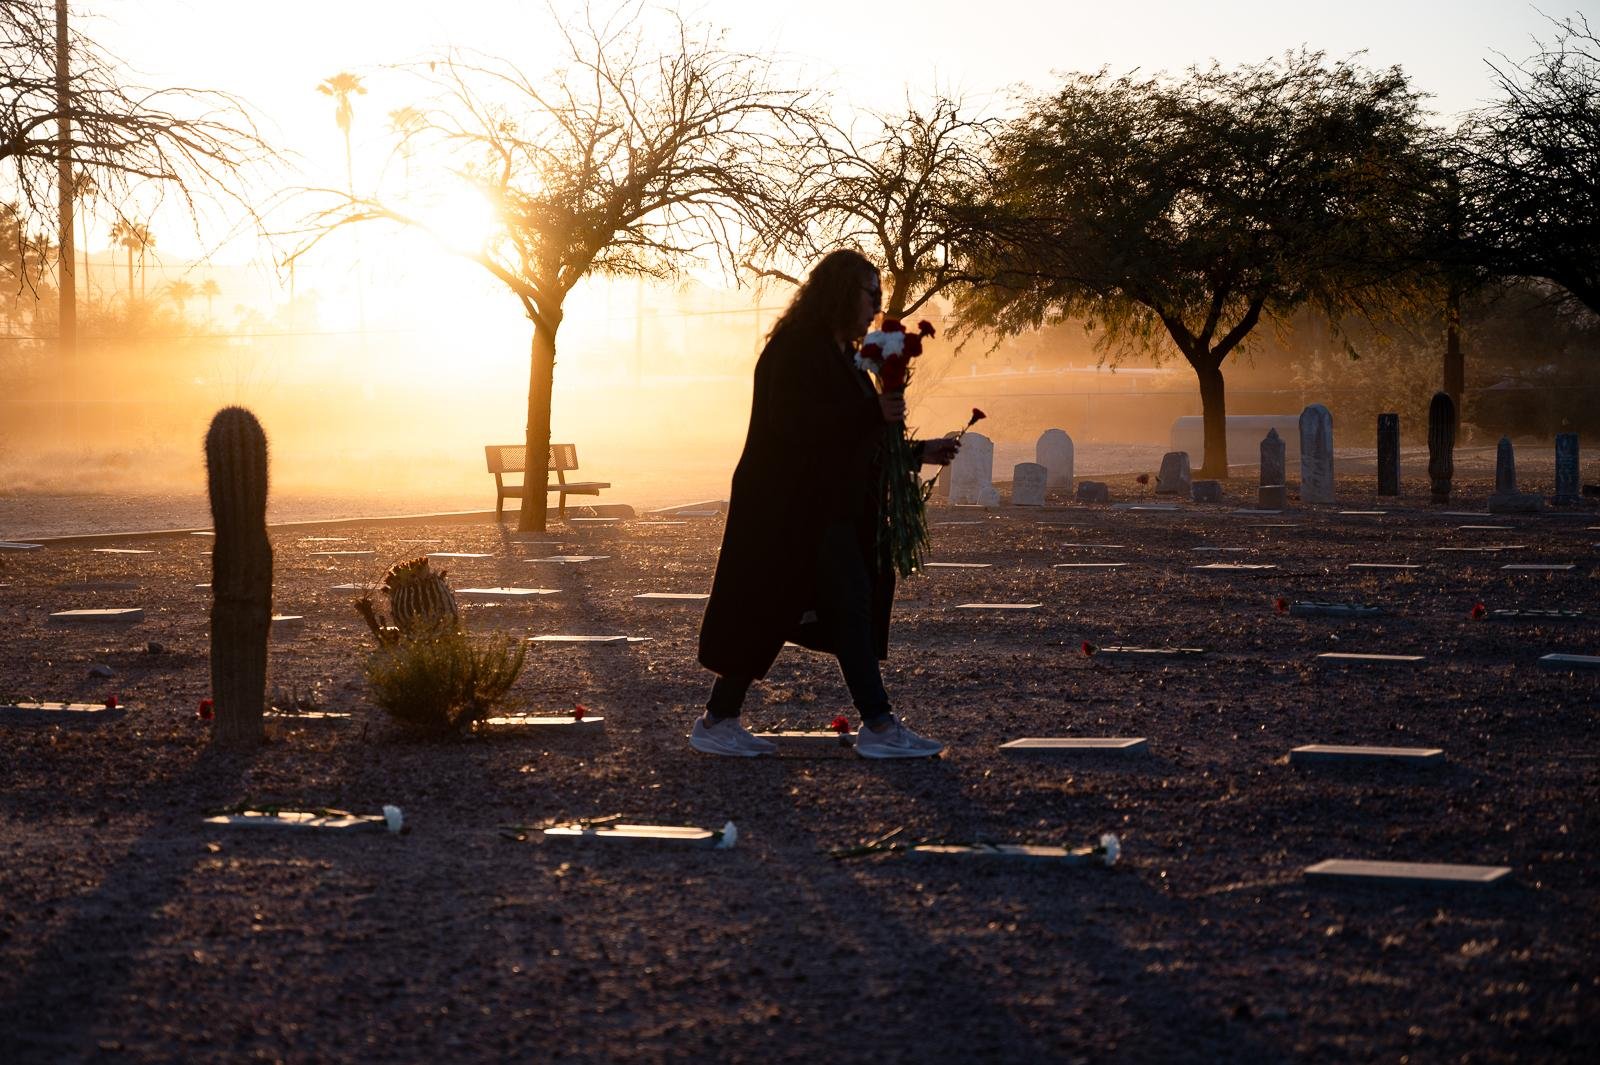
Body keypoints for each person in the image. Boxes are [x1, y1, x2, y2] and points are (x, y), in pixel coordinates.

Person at [692, 249, 960, 758]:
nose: (876, 306)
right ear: (839, 293)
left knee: (825, 607)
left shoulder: (843, 355)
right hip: (787, 508)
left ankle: (720, 719)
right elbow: (799, 429)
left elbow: (855, 436)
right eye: (869, 295)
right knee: (801, 606)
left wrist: (915, 452)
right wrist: (872, 413)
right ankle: (878, 726)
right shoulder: (798, 350)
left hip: (824, 507)